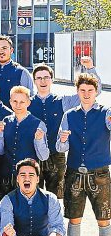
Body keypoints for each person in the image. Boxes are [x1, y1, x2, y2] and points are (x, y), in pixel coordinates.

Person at [56, 73, 111, 236]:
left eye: (90, 90)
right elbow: (61, 148)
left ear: (97, 91)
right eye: (82, 90)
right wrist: (62, 140)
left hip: (100, 174)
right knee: (74, 219)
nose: (86, 94)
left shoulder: (106, 112)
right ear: (77, 91)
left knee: (104, 220)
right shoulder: (69, 115)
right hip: (74, 174)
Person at [28, 60, 100, 198]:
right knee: (33, 195)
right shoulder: (27, 102)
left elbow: (93, 91)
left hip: (57, 156)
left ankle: (54, 219)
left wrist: (90, 68)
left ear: (52, 80)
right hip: (33, 154)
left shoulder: (63, 101)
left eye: (46, 77)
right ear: (34, 81)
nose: (43, 81)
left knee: (56, 196)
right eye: (39, 78)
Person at [0, 86, 49, 197]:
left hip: (28, 180)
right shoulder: (5, 121)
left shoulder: (38, 124)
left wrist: (38, 140)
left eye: (22, 102)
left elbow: (44, 156)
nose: (18, 105)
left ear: (28, 102)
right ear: (10, 102)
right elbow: (0, 151)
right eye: (15, 101)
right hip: (7, 177)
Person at [0, 35, 35, 107]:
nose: (1, 51)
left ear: (11, 50)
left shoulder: (22, 72)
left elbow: (30, 99)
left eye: (4, 48)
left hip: (13, 116)